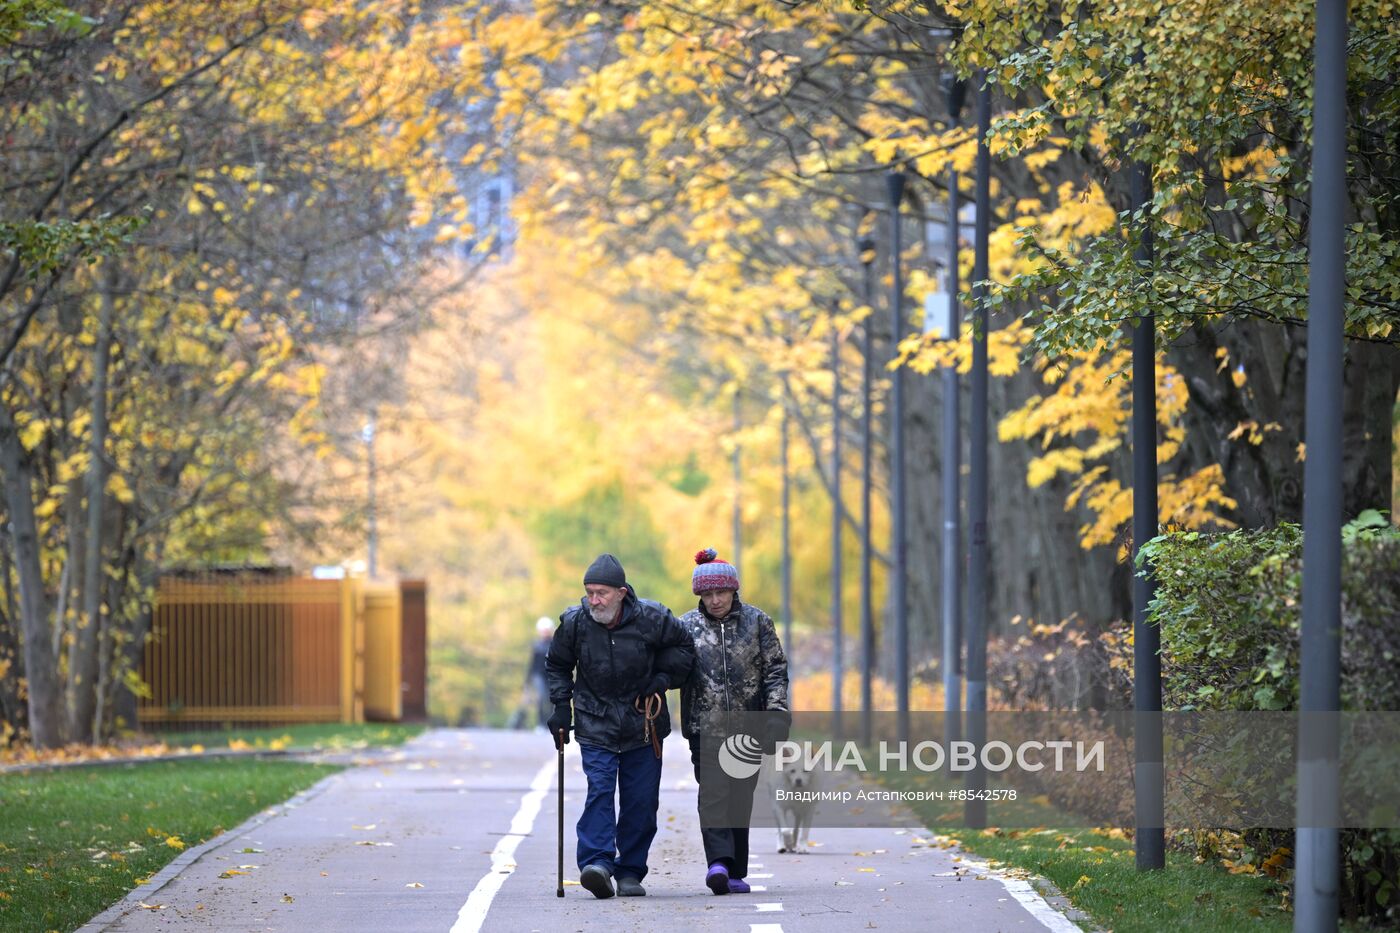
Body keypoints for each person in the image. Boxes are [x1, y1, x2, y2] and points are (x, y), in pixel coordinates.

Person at [545, 553, 695, 899]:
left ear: (621, 592)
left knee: (640, 801)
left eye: (601, 593)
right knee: (599, 791)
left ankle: (630, 870)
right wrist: (559, 707)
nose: (593, 600)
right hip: (595, 721)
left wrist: (662, 678)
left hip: (644, 723)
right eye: (589, 592)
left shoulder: (653, 618)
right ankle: (596, 864)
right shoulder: (575, 622)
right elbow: (557, 664)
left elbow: (684, 647)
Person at [678, 548, 789, 896]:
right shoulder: (685, 627)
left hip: (749, 727)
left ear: (733, 590)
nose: (714, 600)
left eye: (720, 593)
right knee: (713, 795)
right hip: (704, 726)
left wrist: (776, 714)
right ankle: (719, 864)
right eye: (707, 594)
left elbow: (775, 670)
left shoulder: (758, 623)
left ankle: (735, 869)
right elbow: (671, 668)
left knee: (740, 798)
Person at [523, 616, 554, 729]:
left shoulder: (555, 643)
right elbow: (532, 664)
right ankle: (540, 724)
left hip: (551, 674)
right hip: (538, 676)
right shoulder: (536, 645)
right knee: (541, 697)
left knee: (552, 698)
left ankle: (550, 723)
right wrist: (527, 681)